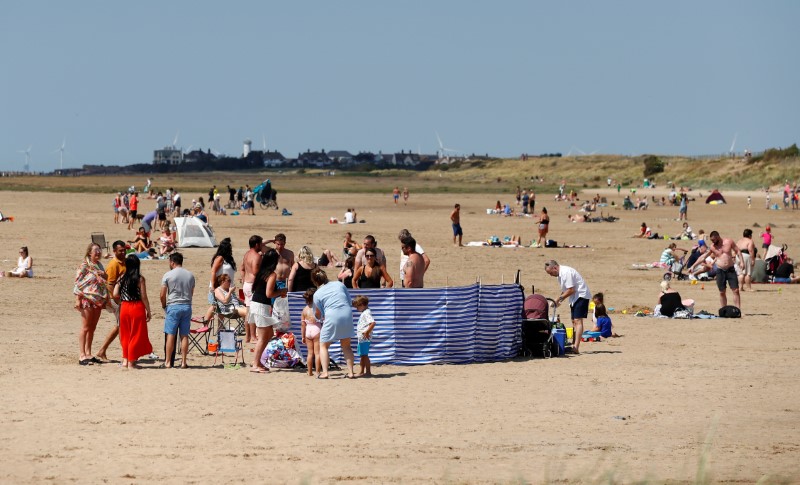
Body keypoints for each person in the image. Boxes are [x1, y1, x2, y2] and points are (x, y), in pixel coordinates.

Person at [310, 268, 356, 379]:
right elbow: (349, 301)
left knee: (323, 345)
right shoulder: (339, 284)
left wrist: (317, 317)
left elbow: (318, 314)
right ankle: (350, 372)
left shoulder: (317, 294)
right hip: (347, 313)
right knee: (346, 346)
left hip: (332, 315)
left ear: (315, 281)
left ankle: (325, 372)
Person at [113, 255, 153, 369]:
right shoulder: (139, 279)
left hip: (124, 307)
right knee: (136, 334)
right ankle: (131, 361)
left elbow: (115, 293)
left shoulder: (122, 278)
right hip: (137, 307)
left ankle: (125, 360)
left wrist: (121, 299)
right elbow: (144, 296)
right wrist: (148, 310)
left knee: (125, 334)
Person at [249, 249, 284, 373]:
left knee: (269, 334)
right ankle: (255, 364)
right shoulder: (271, 274)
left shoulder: (261, 272)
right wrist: (281, 291)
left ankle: (258, 362)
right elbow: (269, 294)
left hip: (256, 304)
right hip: (261, 306)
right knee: (263, 337)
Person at [544, 260, 591, 354]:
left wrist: (558, 299)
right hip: (574, 298)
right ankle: (574, 345)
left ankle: (576, 347)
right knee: (574, 321)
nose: (550, 275)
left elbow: (571, 290)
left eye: (550, 273)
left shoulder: (566, 272)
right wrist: (558, 301)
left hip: (581, 295)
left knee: (578, 320)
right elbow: (565, 291)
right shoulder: (559, 276)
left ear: (555, 268)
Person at [73, 243, 109, 366]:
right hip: (87, 298)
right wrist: (77, 299)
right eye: (96, 250)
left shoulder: (99, 265)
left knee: (92, 328)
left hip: (97, 300)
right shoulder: (84, 265)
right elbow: (78, 283)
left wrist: (104, 275)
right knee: (85, 327)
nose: (98, 252)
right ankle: (82, 354)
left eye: (99, 250)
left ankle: (88, 353)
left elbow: (105, 280)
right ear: (90, 253)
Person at [160, 252, 195, 369]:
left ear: (172, 262)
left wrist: (164, 305)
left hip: (173, 305)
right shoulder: (190, 275)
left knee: (171, 334)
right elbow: (191, 293)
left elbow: (162, 294)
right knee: (184, 335)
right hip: (186, 305)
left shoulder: (168, 275)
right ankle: (184, 362)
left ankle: (168, 362)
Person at [96, 241, 127, 361]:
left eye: (124, 250)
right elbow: (109, 284)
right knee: (121, 325)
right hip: (116, 299)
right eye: (120, 251)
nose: (123, 252)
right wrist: (116, 300)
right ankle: (105, 350)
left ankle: (103, 351)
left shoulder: (123, 262)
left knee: (121, 325)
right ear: (115, 251)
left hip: (121, 298)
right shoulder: (113, 264)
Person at [203, 238, 237, 324]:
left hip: (227, 287)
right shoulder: (220, 258)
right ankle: (205, 324)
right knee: (215, 306)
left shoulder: (228, 259)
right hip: (218, 287)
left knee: (222, 309)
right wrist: (213, 287)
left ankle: (220, 329)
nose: (231, 249)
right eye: (229, 247)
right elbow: (213, 271)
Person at [707, 230, 744, 309]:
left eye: (713, 240)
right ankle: (724, 309)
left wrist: (742, 262)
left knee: (736, 290)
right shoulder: (713, 247)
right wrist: (693, 266)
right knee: (722, 292)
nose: (712, 242)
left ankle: (738, 309)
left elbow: (737, 250)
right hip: (720, 270)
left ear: (717, 237)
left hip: (730, 269)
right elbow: (703, 256)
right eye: (711, 240)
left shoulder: (729, 241)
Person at [241, 235, 264, 344]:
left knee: (248, 311)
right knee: (253, 312)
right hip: (252, 285)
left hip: (246, 283)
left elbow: (242, 268)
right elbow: (255, 272)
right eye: (260, 244)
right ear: (256, 244)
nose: (261, 246)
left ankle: (248, 336)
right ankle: (253, 336)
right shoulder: (256, 256)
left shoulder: (246, 254)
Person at [353, 295, 376, 377]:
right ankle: (362, 371)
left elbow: (373, 323)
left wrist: (367, 332)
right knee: (362, 355)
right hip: (362, 338)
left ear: (362, 304)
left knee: (364, 355)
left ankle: (368, 372)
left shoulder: (366, 313)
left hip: (364, 338)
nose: (356, 309)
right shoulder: (365, 313)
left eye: (357, 307)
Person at [300, 288, 321, 377]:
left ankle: (309, 372)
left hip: (308, 330)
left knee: (310, 353)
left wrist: (303, 336)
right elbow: (322, 318)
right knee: (317, 353)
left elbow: (303, 324)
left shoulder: (304, 310)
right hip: (316, 329)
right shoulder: (317, 308)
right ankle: (317, 371)